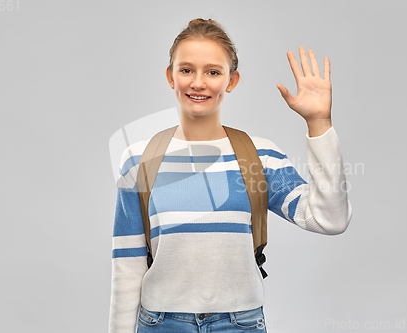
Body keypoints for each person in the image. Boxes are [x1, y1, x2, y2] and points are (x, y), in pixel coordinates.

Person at [108, 18, 352, 333]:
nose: (198, 82)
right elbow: (127, 267)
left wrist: (319, 123)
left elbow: (330, 219)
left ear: (231, 80)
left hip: (239, 325)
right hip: (160, 324)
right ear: (171, 76)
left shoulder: (260, 157)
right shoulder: (139, 160)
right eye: (186, 70)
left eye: (213, 71)